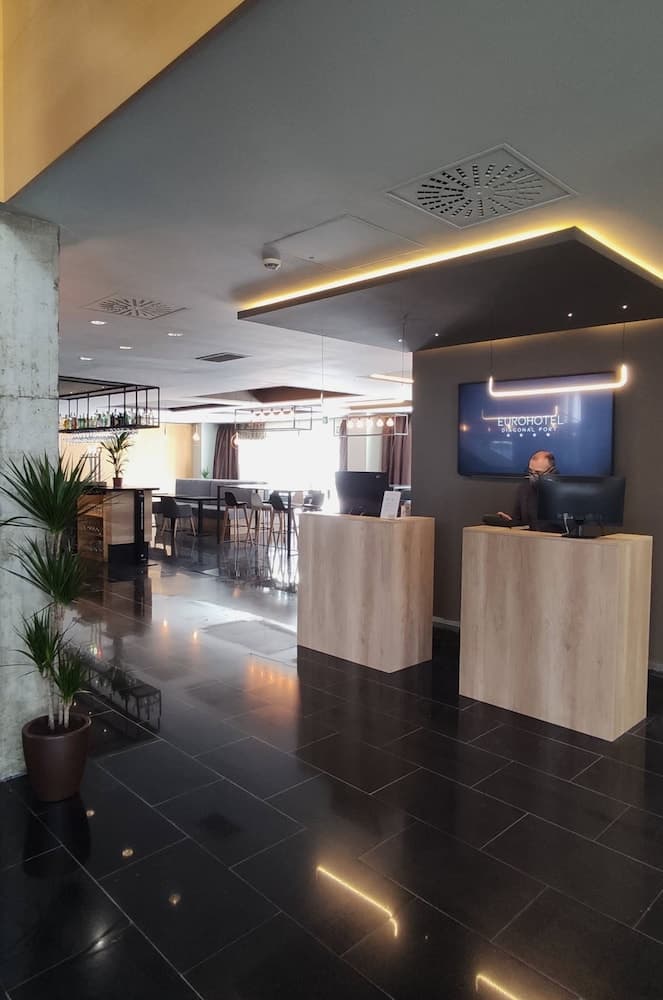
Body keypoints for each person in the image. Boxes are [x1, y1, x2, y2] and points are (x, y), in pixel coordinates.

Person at [498, 449, 558, 526]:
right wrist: (510, 522)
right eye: (530, 472)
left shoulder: (562, 492)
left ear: (552, 471)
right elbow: (519, 521)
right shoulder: (524, 488)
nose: (533, 476)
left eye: (538, 473)